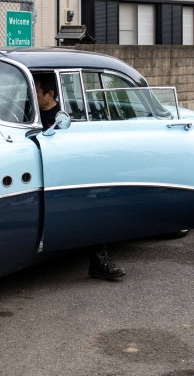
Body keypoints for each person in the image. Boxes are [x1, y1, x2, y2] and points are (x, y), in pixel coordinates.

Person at [32, 73, 126, 282]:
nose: (32, 95)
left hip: (68, 173)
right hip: (40, 174)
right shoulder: (29, 112)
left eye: (36, 91)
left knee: (96, 204)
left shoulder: (67, 116)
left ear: (50, 94)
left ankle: (99, 261)